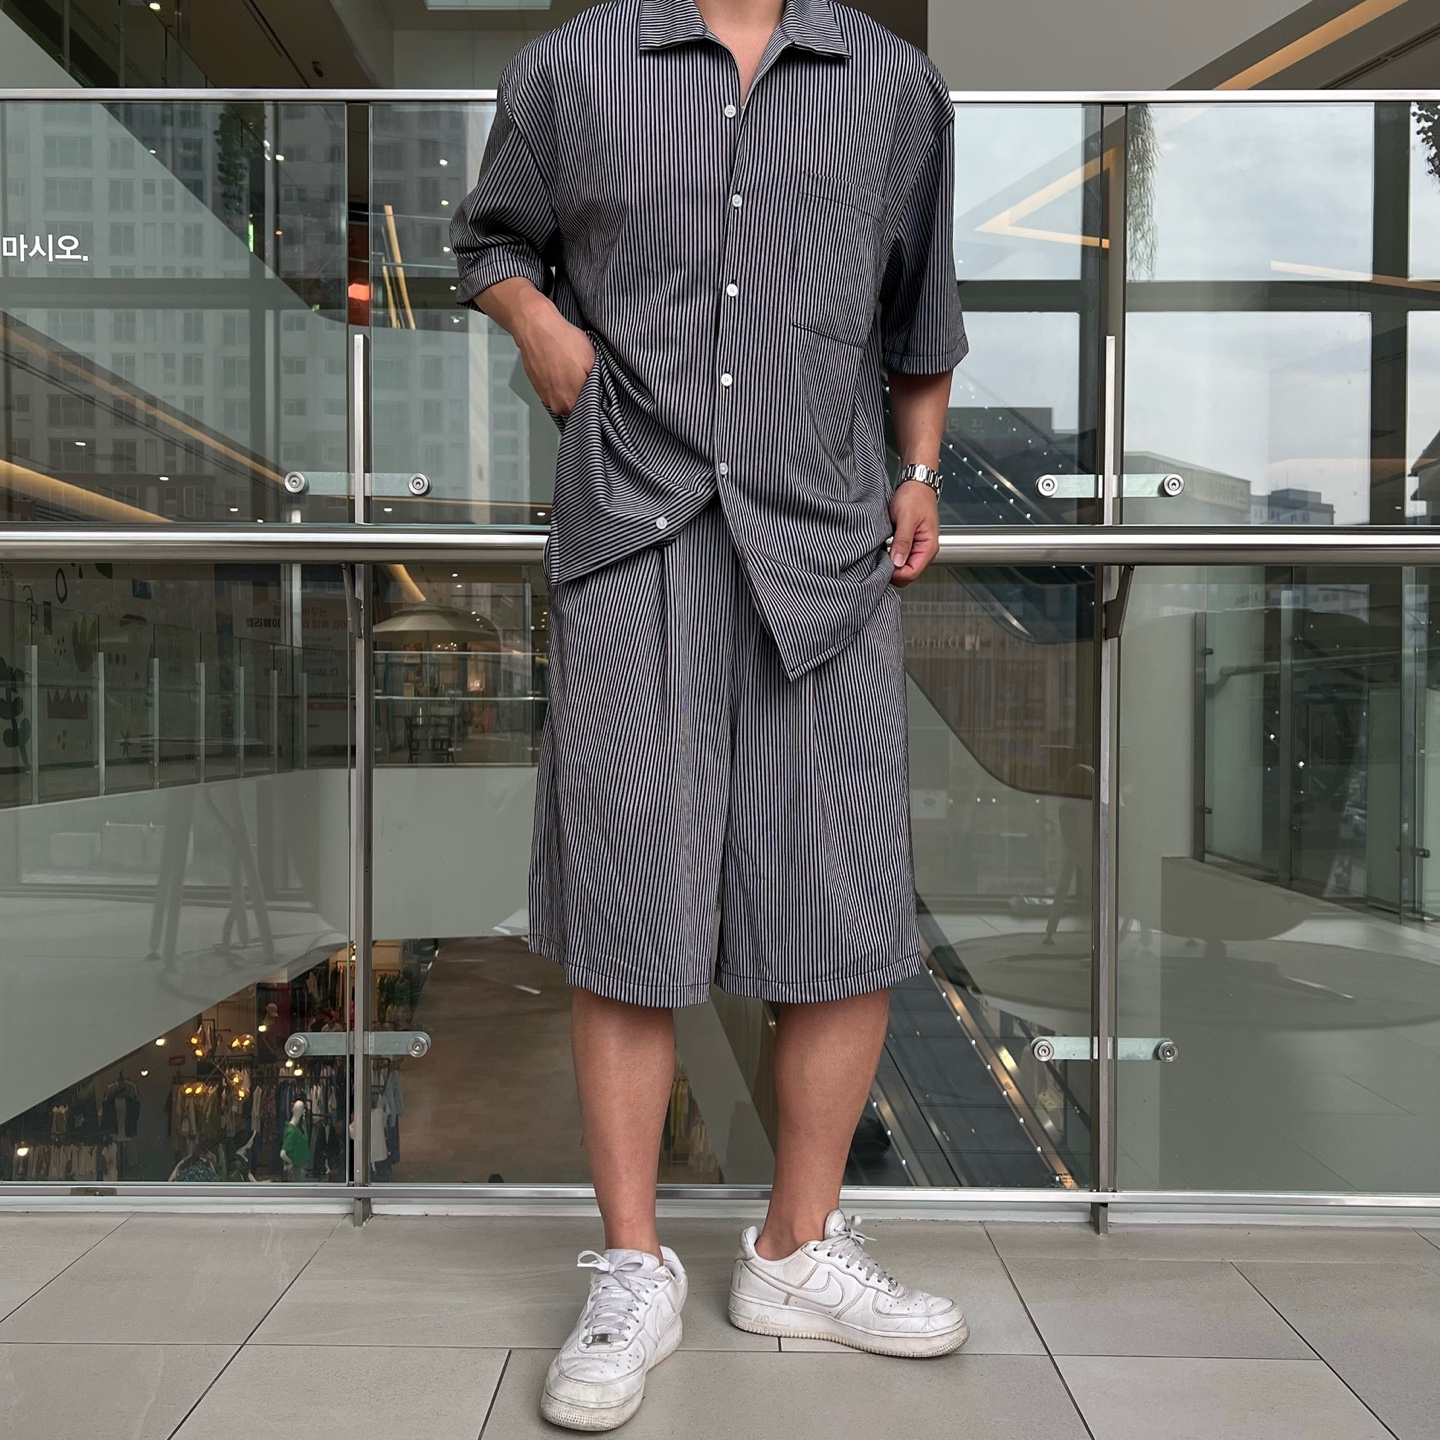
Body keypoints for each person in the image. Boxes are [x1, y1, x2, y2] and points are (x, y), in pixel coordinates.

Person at [453, 0, 968, 1428]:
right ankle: (632, 1270)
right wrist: (541, 328)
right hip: (636, 534)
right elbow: (489, 238)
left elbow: (919, 310)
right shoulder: (570, 69)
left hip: (828, 546)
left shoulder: (894, 86)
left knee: (850, 898)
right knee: (628, 903)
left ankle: (796, 1253)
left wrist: (921, 470)